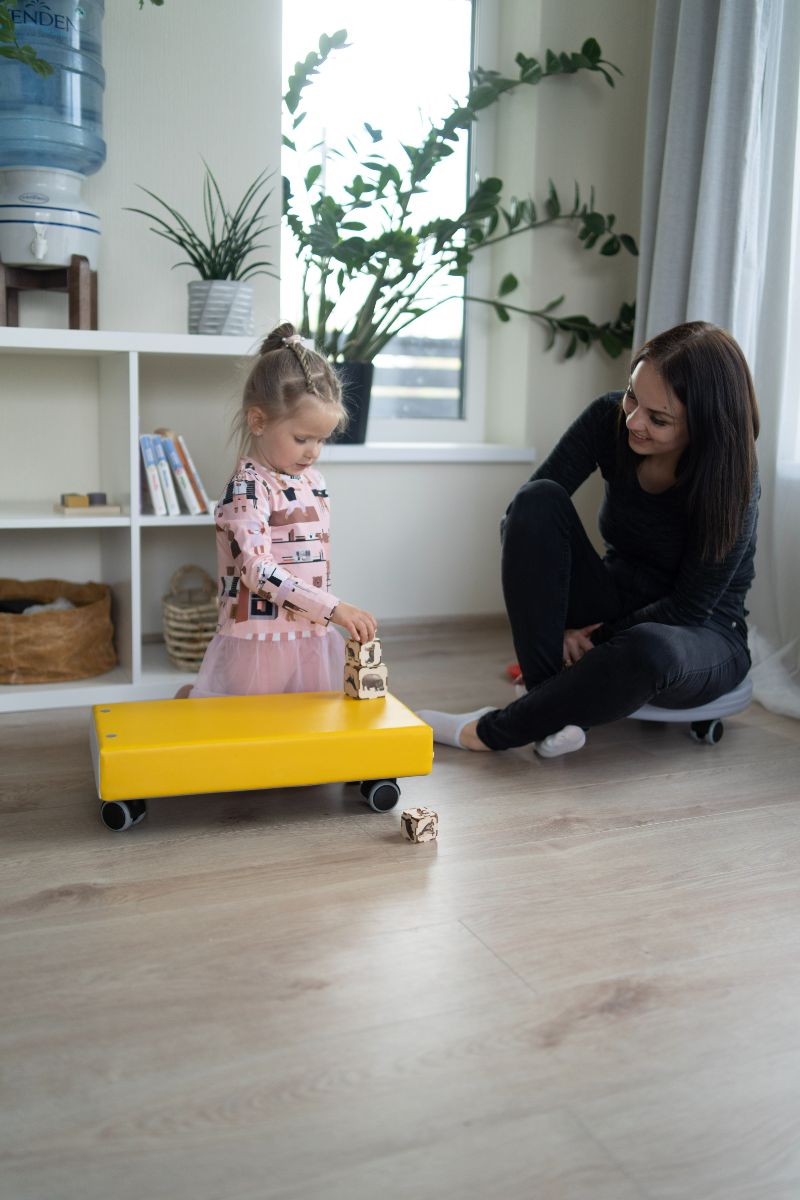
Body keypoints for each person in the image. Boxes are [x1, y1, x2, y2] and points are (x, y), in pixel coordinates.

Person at [419, 321, 760, 757]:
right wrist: (562, 624)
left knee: (648, 646)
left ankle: (490, 732)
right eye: (633, 395)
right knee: (536, 500)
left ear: (705, 424)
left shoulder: (733, 480)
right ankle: (548, 705)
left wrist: (596, 640)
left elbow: (690, 607)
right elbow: (522, 518)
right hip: (614, 600)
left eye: (658, 419)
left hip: (698, 633)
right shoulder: (609, 418)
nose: (634, 421)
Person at [182, 322, 376, 700]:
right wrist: (333, 608)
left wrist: (325, 613)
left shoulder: (313, 481)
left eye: (321, 439)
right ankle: (189, 704)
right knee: (248, 732)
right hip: (259, 639)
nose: (313, 451)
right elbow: (257, 571)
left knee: (306, 730)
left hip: (311, 632)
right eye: (302, 438)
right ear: (259, 421)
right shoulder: (247, 489)